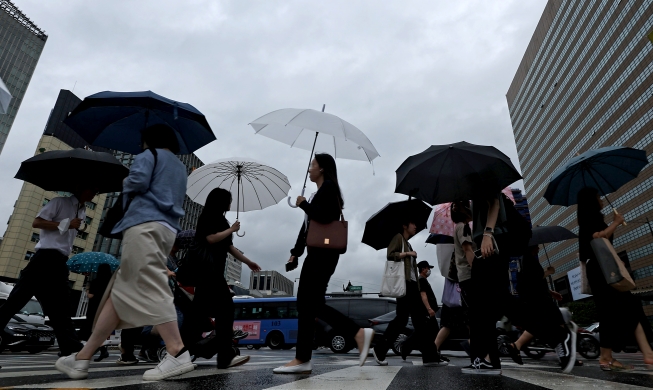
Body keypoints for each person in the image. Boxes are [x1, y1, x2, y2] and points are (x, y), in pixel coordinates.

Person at [56, 123, 194, 381]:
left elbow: (138, 183)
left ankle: (177, 351)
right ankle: (83, 357)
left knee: (151, 282)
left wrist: (126, 179)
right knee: (118, 293)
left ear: (148, 140)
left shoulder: (148, 156)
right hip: (166, 229)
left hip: (143, 226)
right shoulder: (179, 166)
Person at [274, 153, 374, 374]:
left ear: (322, 169)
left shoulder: (328, 188)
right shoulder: (319, 192)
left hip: (323, 255)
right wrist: (295, 252)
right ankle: (304, 358)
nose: (309, 169)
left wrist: (303, 205)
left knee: (308, 303)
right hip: (317, 253)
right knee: (309, 304)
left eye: (312, 165)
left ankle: (354, 334)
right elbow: (308, 228)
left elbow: (325, 217)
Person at [0, 186, 97, 356]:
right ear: (82, 188)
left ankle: (71, 349)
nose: (94, 193)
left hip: (59, 261)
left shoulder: (82, 210)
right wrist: (65, 224)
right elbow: (37, 222)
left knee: (60, 307)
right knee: (16, 301)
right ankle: (71, 348)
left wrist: (74, 226)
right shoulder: (60, 202)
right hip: (44, 258)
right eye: (92, 189)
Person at [577, 187, 653, 371]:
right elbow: (599, 237)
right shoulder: (591, 219)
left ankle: (645, 354)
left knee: (628, 306)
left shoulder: (591, 219)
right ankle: (608, 357)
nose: (601, 199)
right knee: (613, 311)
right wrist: (616, 222)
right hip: (601, 270)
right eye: (597, 196)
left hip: (602, 269)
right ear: (591, 201)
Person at [185, 187, 261, 369]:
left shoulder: (222, 221)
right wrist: (232, 229)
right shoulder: (207, 218)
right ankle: (224, 355)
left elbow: (229, 247)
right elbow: (210, 239)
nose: (230, 204)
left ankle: (182, 351)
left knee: (198, 314)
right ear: (220, 202)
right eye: (228, 200)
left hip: (213, 273)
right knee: (225, 309)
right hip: (207, 271)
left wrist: (248, 261)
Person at [372, 217, 440, 366]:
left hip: (413, 286)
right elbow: (391, 255)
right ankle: (380, 349)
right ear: (404, 225)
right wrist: (408, 254)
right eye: (413, 223)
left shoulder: (408, 243)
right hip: (405, 286)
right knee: (402, 319)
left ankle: (431, 357)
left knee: (421, 322)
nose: (415, 226)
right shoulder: (398, 238)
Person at [501, 245, 578, 373]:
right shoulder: (527, 260)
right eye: (536, 246)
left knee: (541, 325)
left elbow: (535, 283)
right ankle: (565, 354)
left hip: (540, 298)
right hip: (540, 300)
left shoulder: (526, 260)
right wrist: (548, 272)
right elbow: (532, 281)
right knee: (557, 327)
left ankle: (564, 355)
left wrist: (551, 292)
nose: (538, 248)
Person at [400, 260, 447, 365]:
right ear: (423, 269)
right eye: (428, 268)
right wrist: (429, 309)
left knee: (423, 333)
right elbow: (423, 295)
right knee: (430, 333)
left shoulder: (422, 280)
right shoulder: (421, 280)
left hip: (426, 313)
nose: (429, 270)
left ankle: (428, 353)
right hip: (426, 313)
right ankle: (431, 355)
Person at [81, 264, 113, 362]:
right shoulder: (111, 282)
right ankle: (100, 350)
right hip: (105, 308)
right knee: (96, 330)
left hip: (93, 309)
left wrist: (87, 289)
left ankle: (100, 349)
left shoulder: (95, 281)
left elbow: (90, 296)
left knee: (88, 330)